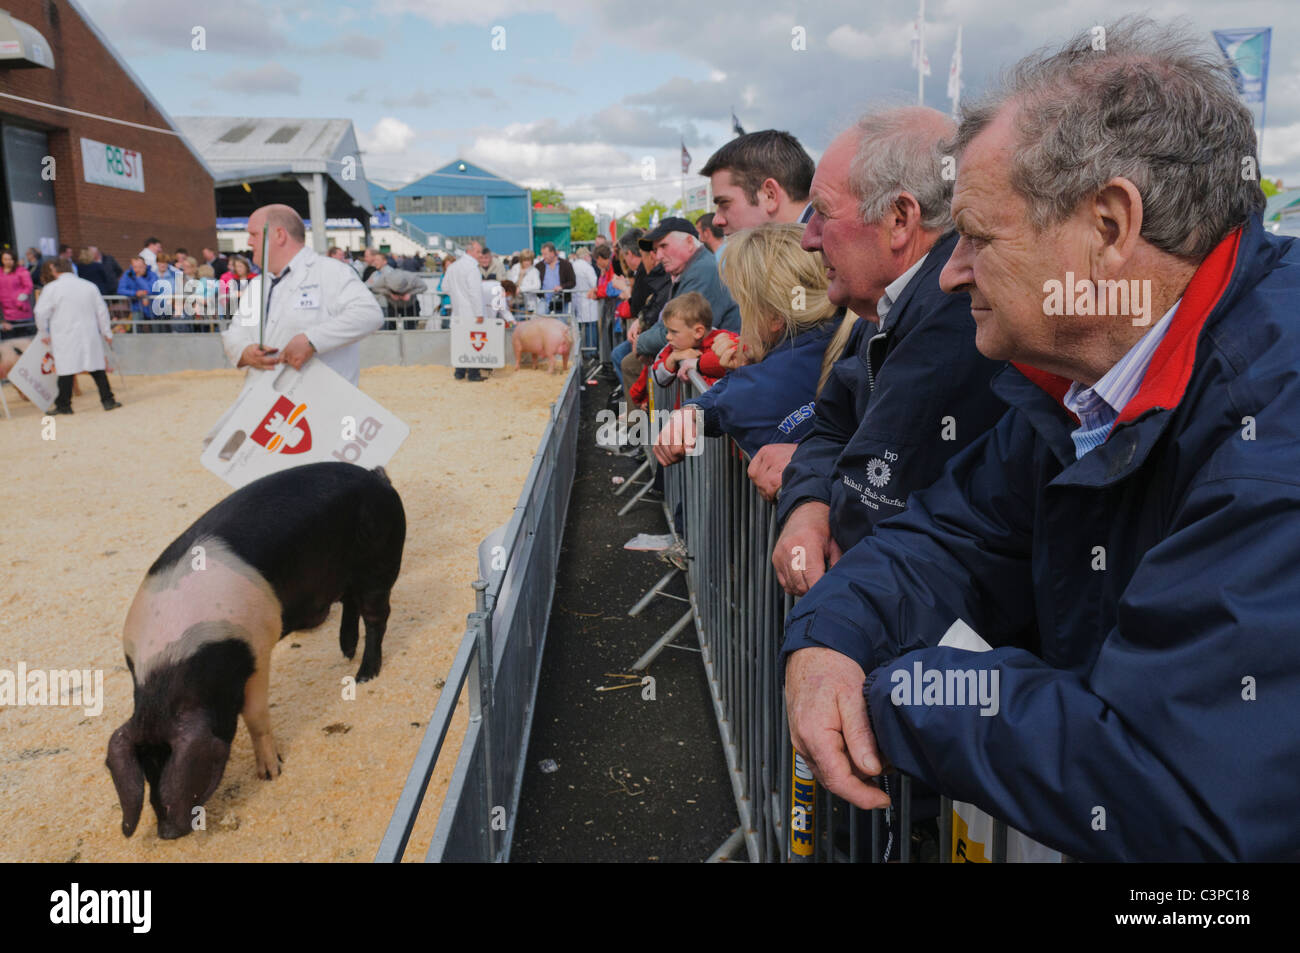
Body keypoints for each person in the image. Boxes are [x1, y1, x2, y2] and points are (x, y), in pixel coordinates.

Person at [784, 19, 1300, 862]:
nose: (951, 274)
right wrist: (827, 636)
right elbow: (950, 533)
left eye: (980, 238)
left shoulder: (1273, 433)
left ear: (1108, 226)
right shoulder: (1076, 383)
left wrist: (889, 691)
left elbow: (1176, 785)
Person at [766, 106, 1007, 596]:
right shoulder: (885, 307)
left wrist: (819, 498)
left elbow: (866, 514)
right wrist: (809, 508)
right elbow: (831, 427)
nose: (808, 238)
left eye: (823, 213)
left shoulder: (957, 317)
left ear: (899, 218)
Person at [653, 223, 849, 463]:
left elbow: (738, 400)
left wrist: (693, 410)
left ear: (774, 317)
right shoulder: (856, 328)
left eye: (743, 303)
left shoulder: (757, 388)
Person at [220, 204, 383, 397]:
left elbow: (369, 314)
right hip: (263, 406)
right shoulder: (257, 285)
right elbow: (235, 332)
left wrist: (312, 340)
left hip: (320, 404)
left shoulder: (330, 271)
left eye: (254, 234)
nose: (249, 242)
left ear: (279, 235)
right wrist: (245, 351)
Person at [626, 218, 740, 392]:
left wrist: (641, 342)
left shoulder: (702, 271)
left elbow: (681, 326)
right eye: (656, 250)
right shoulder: (692, 269)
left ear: (689, 242)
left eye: (664, 246)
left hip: (721, 377)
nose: (658, 256)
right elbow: (668, 320)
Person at [34, 257, 121, 413]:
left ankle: (64, 405)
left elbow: (40, 313)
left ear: (54, 270)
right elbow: (102, 311)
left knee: (66, 370)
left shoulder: (52, 288)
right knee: (96, 367)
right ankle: (108, 400)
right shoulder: (89, 286)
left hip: (64, 335)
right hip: (89, 334)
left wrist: (43, 331)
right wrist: (106, 332)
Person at [699, 130, 816, 235]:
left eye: (724, 203)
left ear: (770, 195)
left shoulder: (825, 253)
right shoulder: (818, 246)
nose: (716, 221)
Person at [636, 291, 732, 405]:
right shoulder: (674, 347)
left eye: (673, 332)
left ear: (698, 332)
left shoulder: (724, 344)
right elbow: (658, 376)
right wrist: (673, 358)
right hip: (685, 416)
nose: (668, 337)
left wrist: (697, 368)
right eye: (667, 331)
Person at [445, 238, 487, 381]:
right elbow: (474, 292)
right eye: (478, 251)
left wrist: (456, 295)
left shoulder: (453, 267)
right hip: (470, 312)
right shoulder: (472, 268)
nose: (481, 255)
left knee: (461, 341)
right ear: (469, 251)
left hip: (457, 311)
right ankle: (474, 374)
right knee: (473, 341)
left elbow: (445, 287)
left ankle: (459, 372)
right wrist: (479, 313)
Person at [0, 249, 36, 340]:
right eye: (5, 259)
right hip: (6, 314)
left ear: (14, 260)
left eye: (10, 259)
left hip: (21, 312)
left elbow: (28, 286)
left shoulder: (21, 271)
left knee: (25, 342)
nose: (8, 261)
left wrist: (23, 295)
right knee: (9, 345)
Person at [116, 257, 156, 331]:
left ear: (145, 265)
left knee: (155, 330)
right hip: (136, 307)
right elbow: (120, 290)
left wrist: (138, 278)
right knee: (136, 329)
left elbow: (150, 289)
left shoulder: (152, 274)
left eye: (140, 267)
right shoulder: (128, 274)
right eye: (135, 267)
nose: (137, 269)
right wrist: (135, 293)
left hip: (152, 308)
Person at [571, 247, 599, 351]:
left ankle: (582, 350)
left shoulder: (573, 265)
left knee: (580, 328)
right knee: (590, 327)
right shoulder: (587, 267)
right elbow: (594, 283)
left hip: (578, 299)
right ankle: (591, 352)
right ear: (586, 256)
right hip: (589, 298)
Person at [534, 242, 575, 313]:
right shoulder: (539, 266)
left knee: (560, 323)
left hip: (561, 300)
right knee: (539, 320)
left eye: (545, 254)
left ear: (552, 253)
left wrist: (562, 287)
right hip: (544, 300)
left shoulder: (566, 265)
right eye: (542, 254)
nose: (543, 256)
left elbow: (572, 282)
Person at [508, 249, 540, 313]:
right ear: (521, 260)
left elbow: (537, 286)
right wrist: (520, 276)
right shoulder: (515, 268)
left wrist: (521, 289)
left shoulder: (534, 271)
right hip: (514, 302)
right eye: (525, 260)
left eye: (529, 260)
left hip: (529, 302)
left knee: (527, 321)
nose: (527, 263)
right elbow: (510, 282)